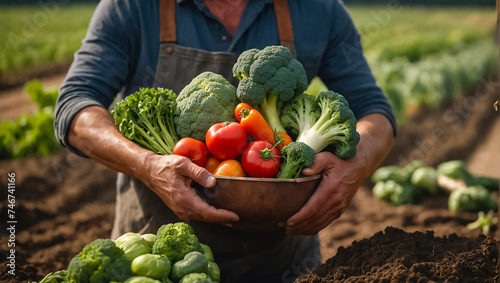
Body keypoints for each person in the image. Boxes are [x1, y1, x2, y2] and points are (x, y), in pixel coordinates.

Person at [54, 0, 396, 282]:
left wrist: (357, 163)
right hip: (159, 261)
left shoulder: (318, 11)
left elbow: (374, 111)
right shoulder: (131, 8)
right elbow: (76, 106)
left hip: (285, 267)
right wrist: (146, 164)